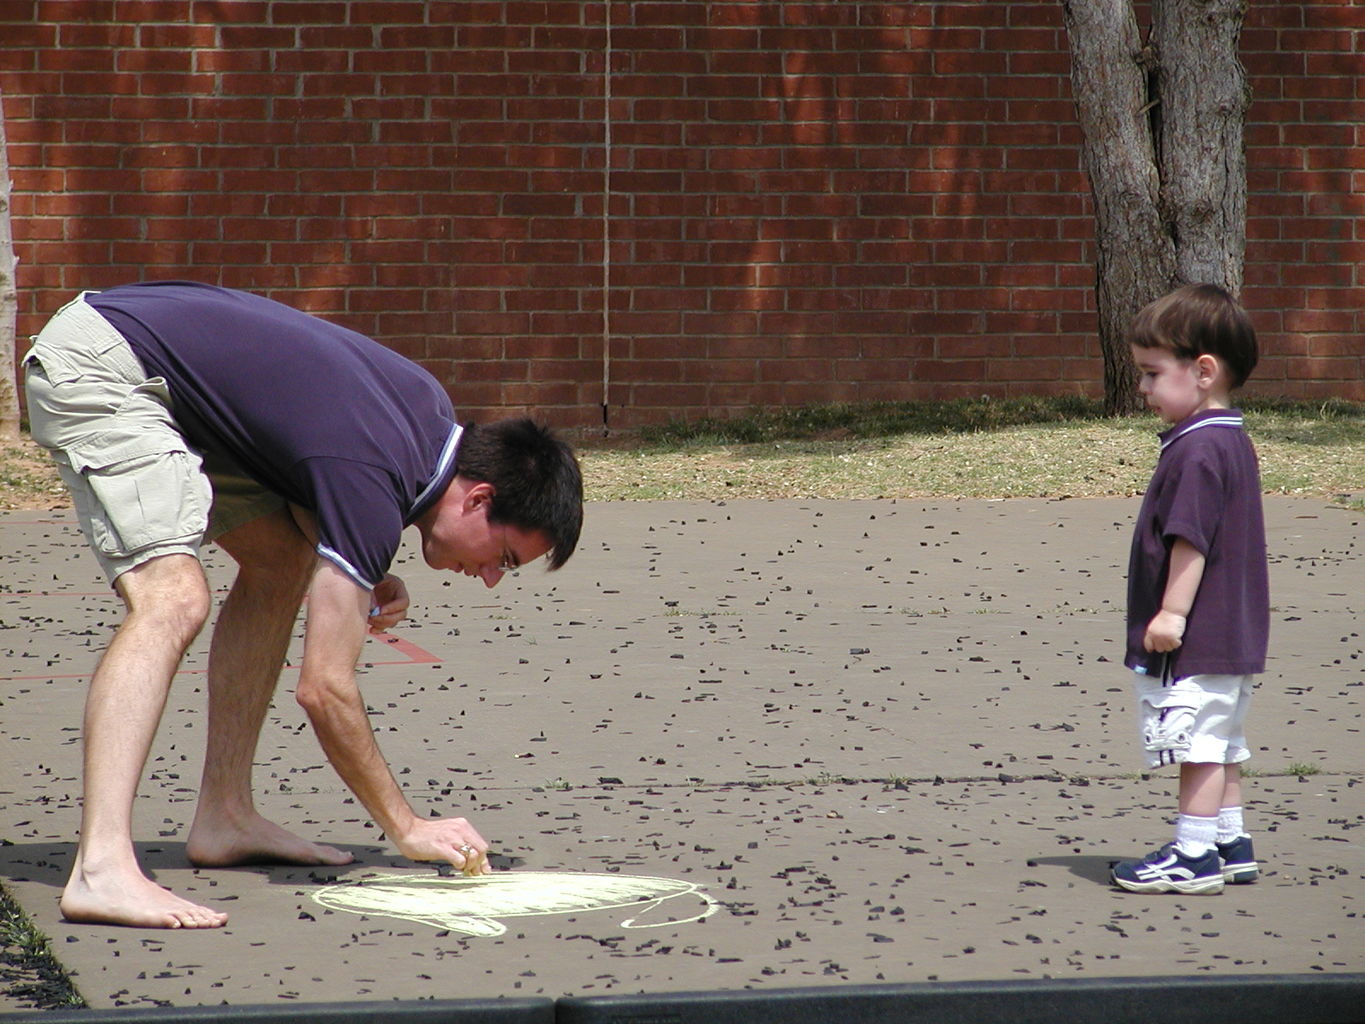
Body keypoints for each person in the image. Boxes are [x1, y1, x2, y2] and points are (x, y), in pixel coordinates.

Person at [22, 281, 583, 929]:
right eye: (503, 558)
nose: (489, 578)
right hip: (108, 362)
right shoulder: (374, 480)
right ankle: (101, 869)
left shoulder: (425, 416)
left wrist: (360, 572)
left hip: (171, 379)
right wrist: (404, 825)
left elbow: (303, 461)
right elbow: (324, 689)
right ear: (479, 499)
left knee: (281, 562)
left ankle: (224, 815)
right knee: (172, 598)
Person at [1110, 283, 1269, 896]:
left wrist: (1171, 613)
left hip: (1202, 632)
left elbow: (1191, 540)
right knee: (1222, 737)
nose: (1144, 389)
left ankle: (1194, 854)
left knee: (1200, 745)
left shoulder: (1199, 449)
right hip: (1234, 629)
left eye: (1152, 374)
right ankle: (1231, 840)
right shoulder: (1228, 437)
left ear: (1203, 371)